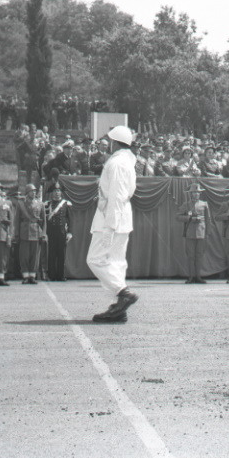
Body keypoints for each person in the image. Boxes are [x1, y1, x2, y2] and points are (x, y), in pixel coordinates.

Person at [86, 125, 139, 323]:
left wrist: (110, 225)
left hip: (111, 218)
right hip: (121, 217)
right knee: (116, 262)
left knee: (95, 259)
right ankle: (119, 307)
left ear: (115, 143)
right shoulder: (127, 161)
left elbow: (117, 195)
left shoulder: (116, 163)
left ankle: (123, 293)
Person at [176, 183, 212, 284]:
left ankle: (198, 276)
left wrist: (207, 232)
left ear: (200, 194)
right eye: (194, 192)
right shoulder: (186, 205)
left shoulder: (204, 204)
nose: (196, 194)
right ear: (191, 194)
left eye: (197, 192)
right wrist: (189, 218)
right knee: (191, 255)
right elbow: (178, 216)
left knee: (199, 255)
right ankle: (191, 277)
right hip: (190, 232)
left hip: (201, 232)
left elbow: (208, 219)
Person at [13, 184, 47, 285]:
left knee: (35, 255)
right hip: (24, 231)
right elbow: (17, 220)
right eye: (31, 191)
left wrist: (43, 234)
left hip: (36, 231)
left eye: (34, 191)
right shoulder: (21, 204)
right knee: (24, 255)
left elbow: (44, 221)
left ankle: (32, 275)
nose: (34, 193)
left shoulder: (40, 204)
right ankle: (25, 275)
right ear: (27, 193)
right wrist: (16, 234)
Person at [45, 185, 72, 281]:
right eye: (55, 191)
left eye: (58, 191)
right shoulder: (48, 204)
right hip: (51, 231)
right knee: (51, 253)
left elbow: (69, 219)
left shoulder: (65, 204)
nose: (57, 193)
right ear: (52, 193)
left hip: (61, 231)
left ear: (61, 192)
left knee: (61, 253)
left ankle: (60, 275)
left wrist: (69, 232)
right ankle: (51, 275)